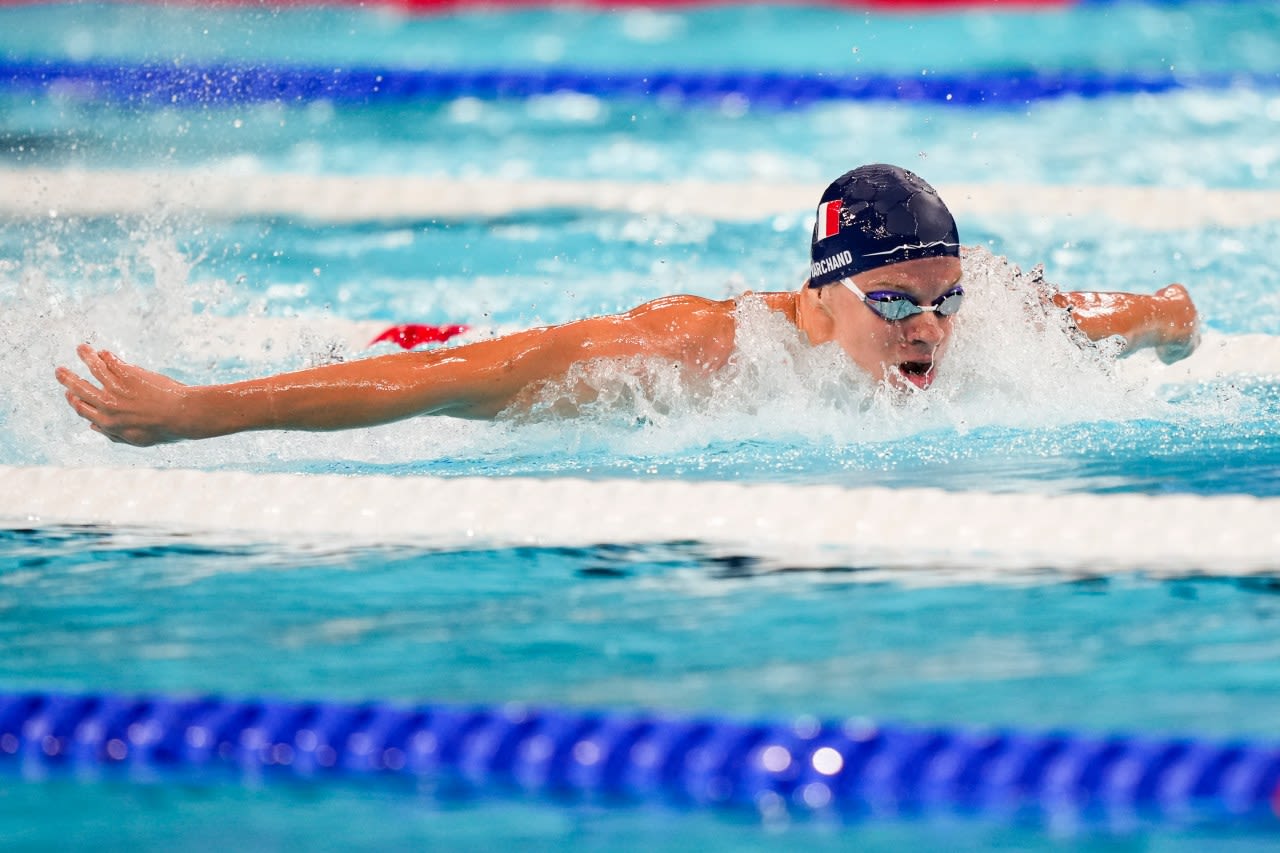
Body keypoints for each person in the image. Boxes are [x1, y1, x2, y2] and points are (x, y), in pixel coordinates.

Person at [55, 164, 1200, 447]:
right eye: (895, 301)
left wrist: (1167, 312)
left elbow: (1102, 312)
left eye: (943, 302)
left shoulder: (980, 312)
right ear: (823, 292)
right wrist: (200, 409)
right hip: (416, 345)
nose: (930, 332)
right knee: (431, 348)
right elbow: (437, 385)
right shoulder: (696, 353)